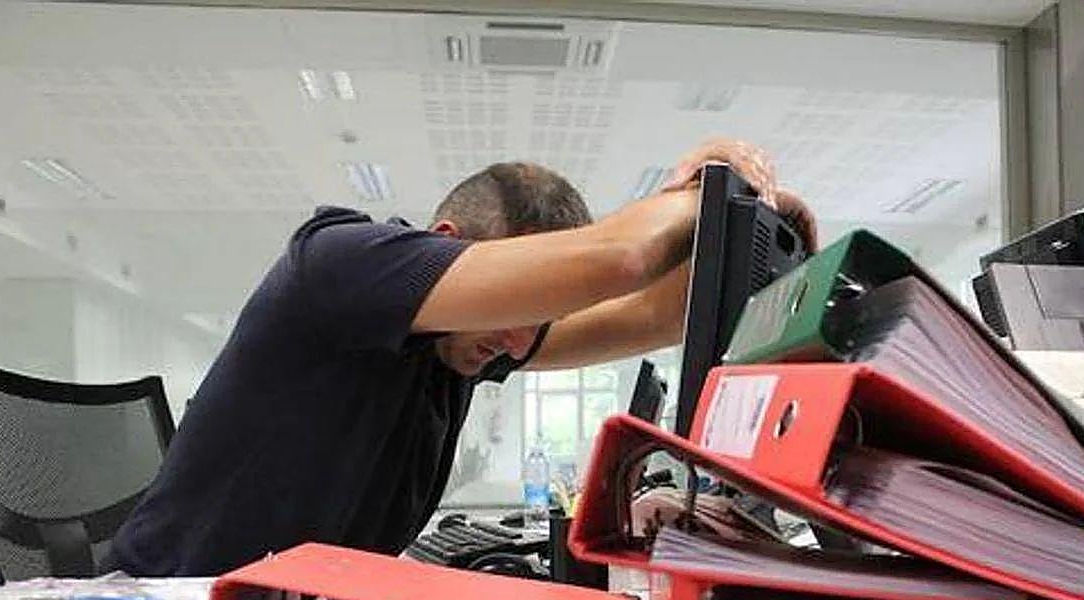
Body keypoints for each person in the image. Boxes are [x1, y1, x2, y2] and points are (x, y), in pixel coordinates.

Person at [108, 138, 817, 577]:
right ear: (447, 244)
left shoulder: (461, 348)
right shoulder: (338, 263)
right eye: (513, 311)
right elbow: (621, 260)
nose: (519, 346)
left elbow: (657, 315)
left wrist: (764, 235)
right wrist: (707, 186)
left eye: (536, 325)